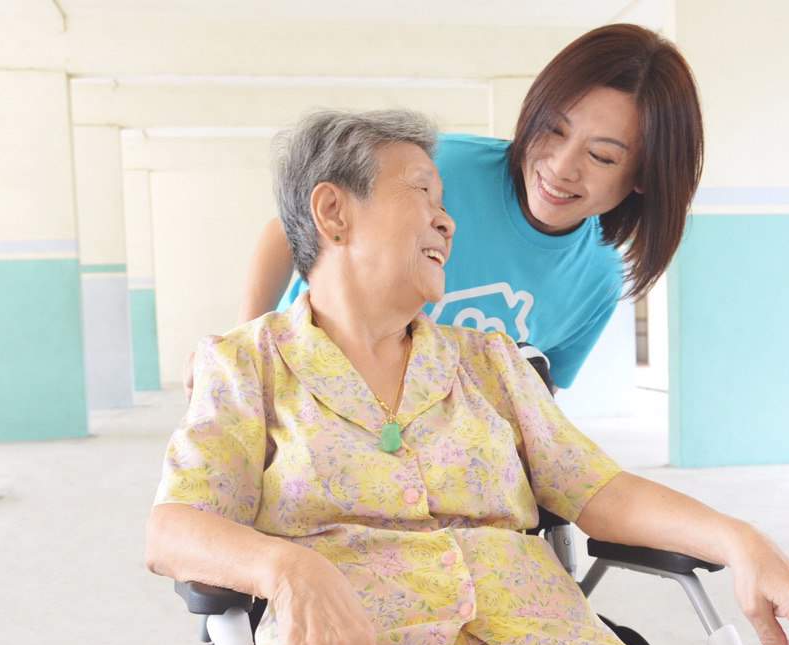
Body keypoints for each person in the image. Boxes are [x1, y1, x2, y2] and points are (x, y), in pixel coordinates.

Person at [147, 110, 789, 645]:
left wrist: (741, 541)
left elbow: (598, 490)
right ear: (333, 211)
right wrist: (288, 567)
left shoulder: (491, 361)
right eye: (422, 192)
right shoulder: (246, 364)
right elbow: (174, 526)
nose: (447, 222)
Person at [234, 22, 704, 391]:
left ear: (645, 175)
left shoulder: (597, 278)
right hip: (303, 385)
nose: (560, 167)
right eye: (554, 129)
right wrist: (242, 349)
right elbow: (290, 229)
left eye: (602, 156)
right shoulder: (438, 168)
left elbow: (535, 399)